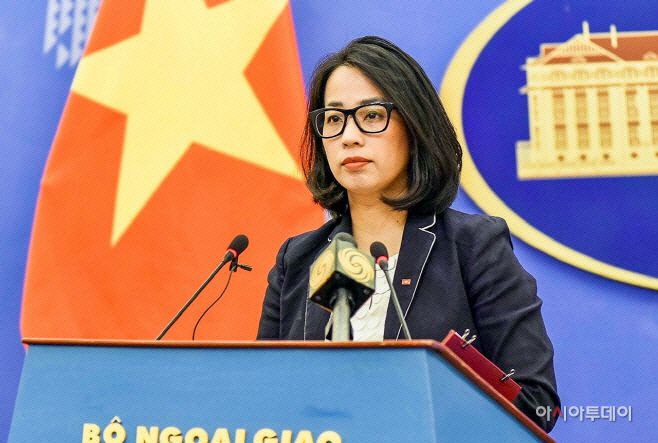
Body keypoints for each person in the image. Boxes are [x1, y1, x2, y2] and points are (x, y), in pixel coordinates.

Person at [257, 36, 559, 432]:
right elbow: (264, 402)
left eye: (371, 115)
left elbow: (537, 406)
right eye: (333, 119)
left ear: (414, 127)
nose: (349, 136)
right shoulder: (297, 260)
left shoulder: (473, 248)